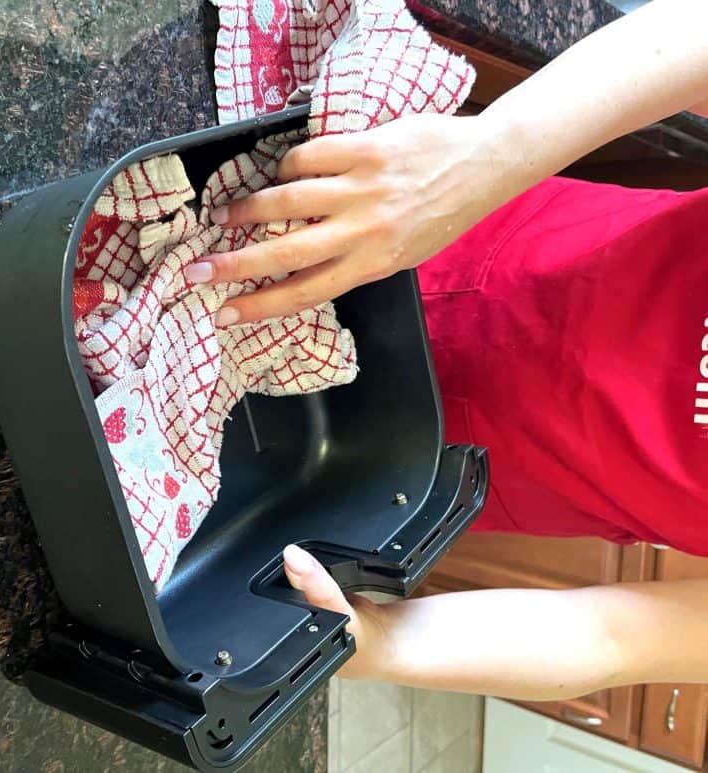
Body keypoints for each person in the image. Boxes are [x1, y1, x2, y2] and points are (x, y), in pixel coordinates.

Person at [184, 0, 708, 699]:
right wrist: (484, 157)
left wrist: (379, 643)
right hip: (454, 229)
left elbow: (611, 638)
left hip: (388, 463)